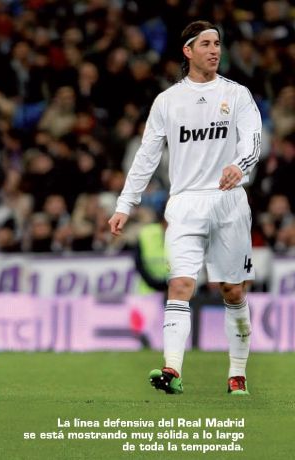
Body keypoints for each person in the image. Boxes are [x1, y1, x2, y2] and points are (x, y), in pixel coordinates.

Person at [108, 21, 261, 396]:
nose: (214, 50)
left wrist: (239, 166)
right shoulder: (168, 101)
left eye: (217, 43)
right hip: (185, 204)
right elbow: (146, 156)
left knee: (232, 290)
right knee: (179, 285)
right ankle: (171, 370)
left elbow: (253, 142)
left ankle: (237, 373)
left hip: (228, 201)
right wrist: (125, 203)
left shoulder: (237, 94)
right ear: (188, 51)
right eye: (205, 44)